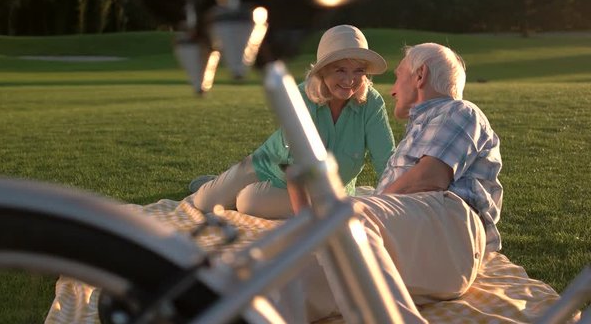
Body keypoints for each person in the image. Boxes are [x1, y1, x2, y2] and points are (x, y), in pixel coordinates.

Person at [299, 42, 503, 322]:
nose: (392, 89)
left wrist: (361, 205)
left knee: (343, 215)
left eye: (397, 76)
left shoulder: (459, 111)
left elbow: (429, 178)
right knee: (299, 282)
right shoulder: (422, 126)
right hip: (410, 243)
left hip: (449, 229)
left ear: (420, 76)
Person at [184, 24, 396, 219]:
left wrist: (395, 209)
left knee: (248, 201)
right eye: (340, 69)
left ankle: (232, 191)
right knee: (204, 202)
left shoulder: (372, 102)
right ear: (323, 70)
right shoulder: (303, 95)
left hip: (326, 189)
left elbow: (386, 161)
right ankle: (216, 185)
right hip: (270, 164)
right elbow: (294, 165)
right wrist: (306, 218)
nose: (350, 81)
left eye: (358, 71)